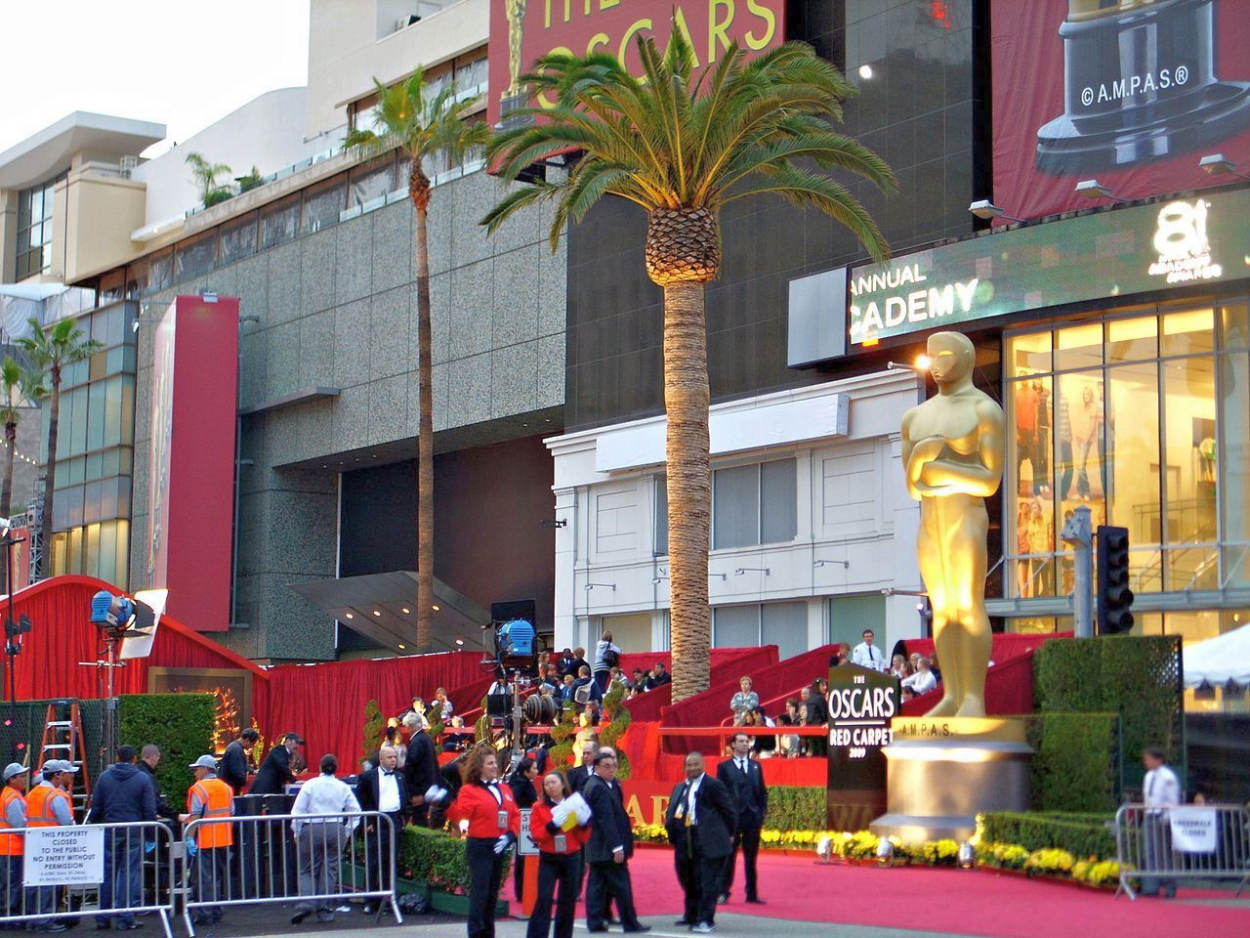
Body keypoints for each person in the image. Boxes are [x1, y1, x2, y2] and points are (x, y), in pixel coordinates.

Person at [901, 331, 1005, 718]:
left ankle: (973, 697)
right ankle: (953, 695)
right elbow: (913, 486)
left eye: (944, 355)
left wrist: (937, 462)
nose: (936, 363)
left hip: (965, 519)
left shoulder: (984, 410)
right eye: (931, 356)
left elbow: (988, 480)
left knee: (967, 604)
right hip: (931, 523)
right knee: (942, 609)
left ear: (965, 357)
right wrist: (923, 459)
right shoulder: (915, 417)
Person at [449, 747, 520, 938]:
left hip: (500, 845)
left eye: (495, 762)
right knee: (480, 893)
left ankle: (488, 933)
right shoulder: (469, 790)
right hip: (480, 846)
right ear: (479, 767)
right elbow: (461, 815)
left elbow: (515, 815)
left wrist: (509, 835)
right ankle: (475, 933)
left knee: (492, 894)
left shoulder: (505, 789)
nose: (495, 766)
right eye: (490, 763)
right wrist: (445, 802)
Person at [665, 752, 734, 934]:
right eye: (689, 765)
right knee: (688, 877)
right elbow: (672, 811)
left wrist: (729, 833)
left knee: (707, 882)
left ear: (703, 765)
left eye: (696, 764)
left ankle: (706, 920)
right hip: (685, 838)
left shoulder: (713, 785)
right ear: (684, 768)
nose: (692, 768)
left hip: (708, 839)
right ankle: (692, 915)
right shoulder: (680, 787)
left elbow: (728, 811)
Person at [90, 745, 157, 931]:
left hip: (110, 828)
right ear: (134, 759)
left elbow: (96, 806)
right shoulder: (142, 779)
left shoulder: (104, 777)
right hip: (134, 830)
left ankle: (103, 917)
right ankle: (125, 917)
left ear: (117, 758)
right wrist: (151, 834)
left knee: (107, 873)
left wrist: (94, 824)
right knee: (129, 873)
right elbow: (149, 809)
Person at [582, 748, 648, 934]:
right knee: (621, 886)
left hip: (599, 848)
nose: (611, 770)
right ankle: (630, 923)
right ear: (596, 767)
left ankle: (595, 922)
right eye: (607, 766)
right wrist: (617, 847)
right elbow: (606, 819)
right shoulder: (598, 787)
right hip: (606, 848)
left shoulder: (606, 784)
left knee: (596, 886)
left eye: (613, 766)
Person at [290, 754, 361, 925]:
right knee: (330, 870)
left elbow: (298, 811)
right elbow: (355, 811)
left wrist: (296, 831)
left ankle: (307, 902)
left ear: (320, 767)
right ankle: (325, 910)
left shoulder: (310, 785)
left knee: (307, 869)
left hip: (312, 827)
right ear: (336, 768)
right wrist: (346, 831)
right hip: (335, 828)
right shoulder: (342, 786)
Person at [527, 771, 590, 938]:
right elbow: (536, 835)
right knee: (544, 898)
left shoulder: (573, 805)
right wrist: (552, 826)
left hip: (571, 856)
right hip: (549, 857)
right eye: (546, 784)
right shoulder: (538, 807)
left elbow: (582, 838)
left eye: (553, 782)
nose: (550, 787)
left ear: (562, 784)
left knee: (567, 900)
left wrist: (584, 824)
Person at [180, 755, 234, 926]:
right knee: (217, 878)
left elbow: (195, 817)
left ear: (205, 769)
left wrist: (190, 839)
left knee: (203, 880)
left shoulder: (198, 789)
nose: (194, 773)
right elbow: (231, 812)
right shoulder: (226, 788)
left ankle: (204, 914)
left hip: (204, 841)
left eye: (196, 769)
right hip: (223, 840)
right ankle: (216, 911)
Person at [354, 745, 408, 914]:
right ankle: (370, 900)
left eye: (395, 757)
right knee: (373, 862)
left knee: (389, 862)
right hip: (375, 821)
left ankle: (387, 899)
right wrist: (367, 821)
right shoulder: (367, 777)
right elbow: (360, 801)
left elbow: (405, 799)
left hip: (394, 822)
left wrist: (404, 819)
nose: (393, 760)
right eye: (390, 757)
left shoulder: (400, 777)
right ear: (381, 759)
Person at [717, 732, 768, 905]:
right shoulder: (724, 767)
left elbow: (762, 792)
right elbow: (720, 794)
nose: (745, 744)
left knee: (751, 858)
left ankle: (752, 893)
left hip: (752, 818)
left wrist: (761, 813)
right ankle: (723, 892)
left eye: (747, 741)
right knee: (728, 857)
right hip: (732, 819)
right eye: (741, 741)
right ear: (733, 745)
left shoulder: (756, 766)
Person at [27, 759, 77, 933]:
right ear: (57, 775)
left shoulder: (32, 794)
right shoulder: (55, 796)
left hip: (33, 843)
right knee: (48, 884)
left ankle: (32, 920)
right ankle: (45, 920)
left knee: (34, 884)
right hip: (51, 845)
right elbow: (66, 822)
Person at [1140, 747, 1181, 899]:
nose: (1146, 762)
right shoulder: (1148, 776)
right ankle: (1152, 886)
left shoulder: (1168, 777)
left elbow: (1173, 800)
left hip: (1161, 816)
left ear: (1158, 760)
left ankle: (1170, 886)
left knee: (1163, 853)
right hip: (1149, 815)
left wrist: (1167, 817)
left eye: (1149, 759)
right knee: (1149, 852)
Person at [0, 764, 28, 921]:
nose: (25, 779)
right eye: (21, 776)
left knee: (8, 884)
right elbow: (19, 825)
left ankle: (8, 916)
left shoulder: (9, 794)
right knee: (13, 884)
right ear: (12, 779)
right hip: (12, 847)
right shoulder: (13, 798)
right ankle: (10, 917)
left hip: (8, 847)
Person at [509, 758, 539, 902]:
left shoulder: (524, 782)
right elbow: (516, 804)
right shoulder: (520, 784)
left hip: (526, 824)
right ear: (526, 771)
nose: (537, 771)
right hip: (523, 825)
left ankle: (525, 891)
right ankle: (521, 892)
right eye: (534, 768)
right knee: (522, 859)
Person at [404, 717, 439, 827]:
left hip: (419, 790)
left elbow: (411, 767)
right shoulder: (427, 738)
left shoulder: (417, 741)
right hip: (428, 787)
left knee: (419, 821)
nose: (406, 730)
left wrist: (415, 793)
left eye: (406, 727)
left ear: (411, 726)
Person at [219, 728, 259, 794]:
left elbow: (241, 765)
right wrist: (245, 776)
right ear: (247, 740)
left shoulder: (235, 747)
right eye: (253, 744)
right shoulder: (236, 750)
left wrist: (252, 771)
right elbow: (238, 773)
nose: (253, 746)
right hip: (231, 789)